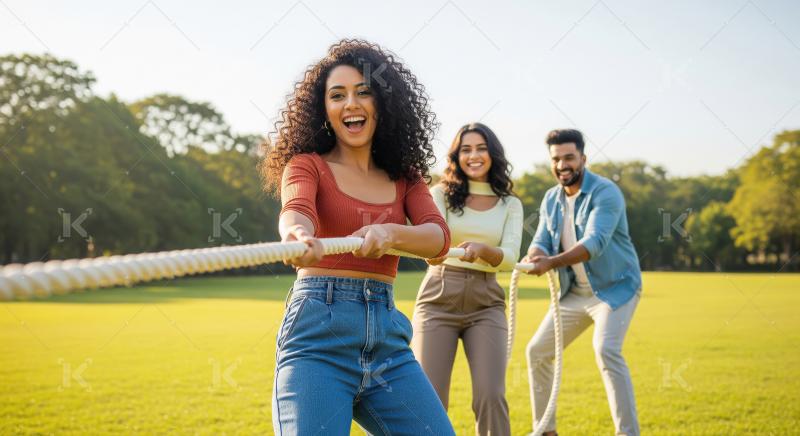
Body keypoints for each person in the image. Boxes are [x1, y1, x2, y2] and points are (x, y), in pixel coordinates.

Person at [262, 39, 455, 435]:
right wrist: (297, 235)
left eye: (363, 92)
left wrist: (391, 233)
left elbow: (438, 238)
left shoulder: (406, 178)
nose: (350, 103)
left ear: (383, 102)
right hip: (317, 338)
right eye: (337, 95)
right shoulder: (306, 166)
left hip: (388, 343)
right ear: (324, 109)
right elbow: (296, 210)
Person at [523, 129, 642, 436]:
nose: (562, 165)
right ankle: (546, 431)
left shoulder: (606, 192)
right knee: (537, 351)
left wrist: (550, 262)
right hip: (574, 294)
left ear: (583, 159)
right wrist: (535, 254)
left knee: (606, 349)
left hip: (615, 289)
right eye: (556, 159)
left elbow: (594, 243)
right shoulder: (551, 198)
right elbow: (541, 240)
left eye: (569, 157)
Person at [412, 123, 523, 436]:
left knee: (491, 395)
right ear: (456, 156)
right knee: (431, 398)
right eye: (466, 149)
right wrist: (432, 251)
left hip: (486, 303)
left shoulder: (510, 203)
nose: (474, 156)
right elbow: (434, 241)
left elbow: (511, 256)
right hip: (438, 298)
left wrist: (484, 250)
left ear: (493, 154)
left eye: (481, 148)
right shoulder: (440, 194)